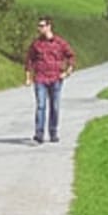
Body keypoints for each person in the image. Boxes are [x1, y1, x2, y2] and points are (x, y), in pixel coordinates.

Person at [24, 16, 75, 144]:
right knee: (41, 106)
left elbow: (71, 56)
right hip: (40, 78)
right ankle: (39, 134)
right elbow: (29, 60)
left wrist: (68, 72)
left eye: (41, 26)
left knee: (55, 106)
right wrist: (28, 77)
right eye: (38, 26)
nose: (39, 28)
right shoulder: (36, 44)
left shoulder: (60, 43)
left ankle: (53, 132)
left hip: (55, 78)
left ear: (48, 27)